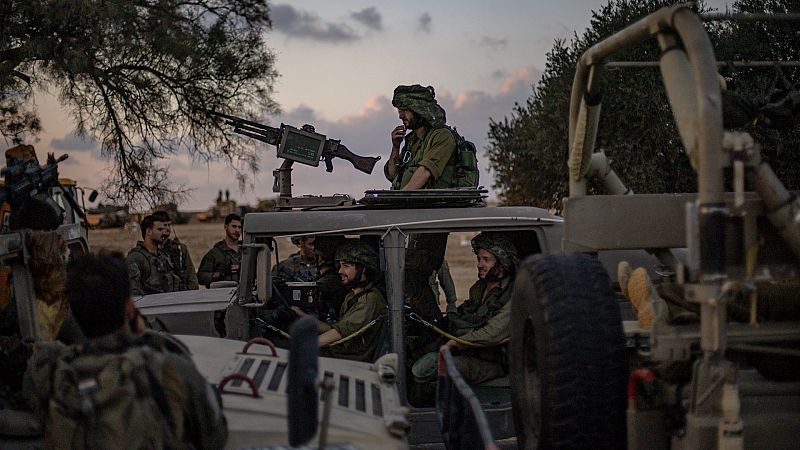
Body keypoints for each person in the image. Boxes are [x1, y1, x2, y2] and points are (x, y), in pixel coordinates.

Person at [23, 251, 228, 448]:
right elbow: (215, 436)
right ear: (129, 307)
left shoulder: (49, 374)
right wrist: (144, 335)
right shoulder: (167, 368)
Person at [412, 232, 519, 388]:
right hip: (469, 352)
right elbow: (464, 316)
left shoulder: (513, 296)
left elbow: (492, 333)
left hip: (493, 362)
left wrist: (455, 344)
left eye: (486, 260)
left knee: (443, 367)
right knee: (415, 356)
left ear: (502, 265)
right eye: (479, 259)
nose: (479, 264)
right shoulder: (479, 290)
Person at [292, 241, 386, 363]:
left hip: (349, 359)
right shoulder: (353, 295)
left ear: (363, 269)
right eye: (340, 266)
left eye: (346, 266)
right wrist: (302, 316)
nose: (340, 271)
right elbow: (335, 328)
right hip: (340, 352)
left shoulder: (369, 300)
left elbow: (340, 333)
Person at [384, 84, 458, 190]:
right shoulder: (412, 140)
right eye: (400, 111)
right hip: (413, 204)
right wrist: (395, 147)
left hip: (435, 205)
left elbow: (424, 173)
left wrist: (399, 199)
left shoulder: (442, 136)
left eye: (405, 110)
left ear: (419, 110)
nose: (401, 116)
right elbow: (393, 175)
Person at [127, 214, 183, 295]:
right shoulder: (136, 258)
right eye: (160, 229)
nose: (163, 232)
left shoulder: (164, 256)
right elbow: (133, 292)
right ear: (149, 231)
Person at [152, 210, 198, 291]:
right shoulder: (151, 249)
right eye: (164, 225)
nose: (167, 228)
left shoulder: (180, 249)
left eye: (169, 225)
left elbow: (192, 279)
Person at [197, 213, 242, 288]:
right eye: (234, 226)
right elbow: (201, 277)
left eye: (239, 227)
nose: (237, 230)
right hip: (223, 295)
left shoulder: (246, 251)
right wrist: (222, 273)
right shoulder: (215, 253)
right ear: (225, 227)